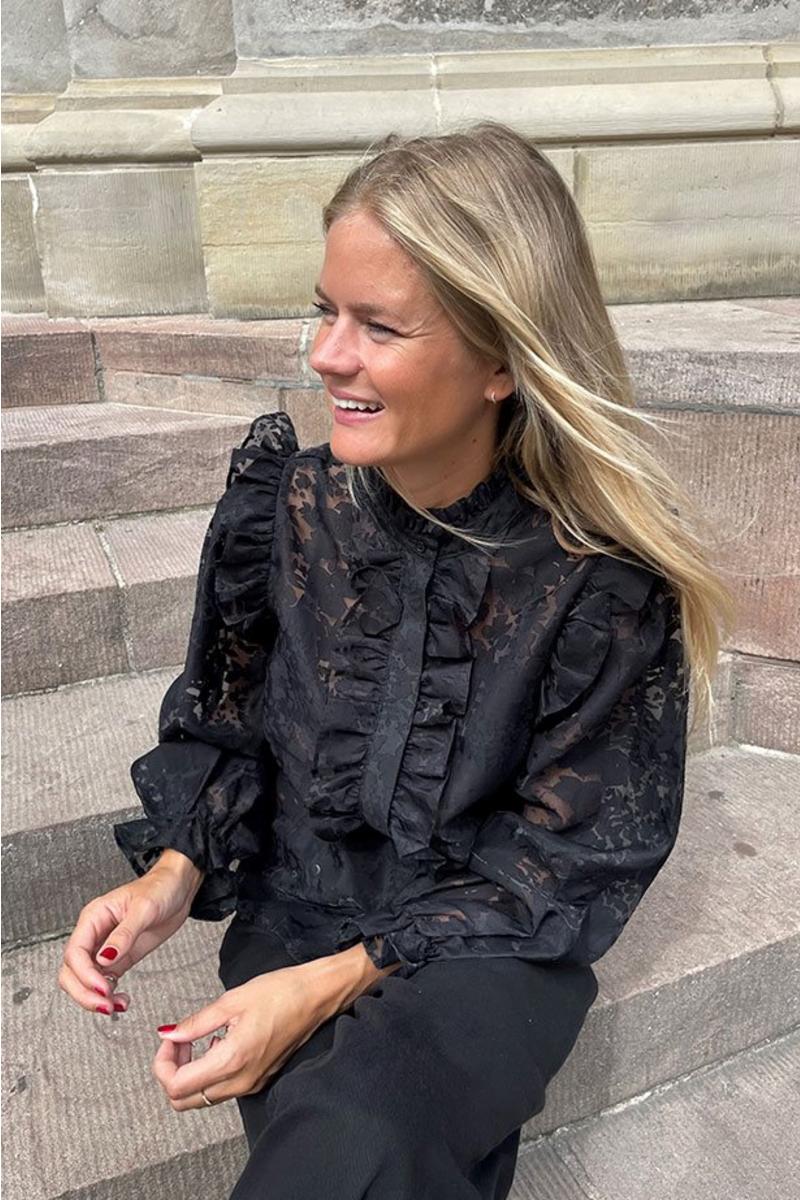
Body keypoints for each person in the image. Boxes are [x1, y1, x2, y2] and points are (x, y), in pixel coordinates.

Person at [57, 120, 735, 1199]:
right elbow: (235, 724)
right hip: (300, 905)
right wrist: (170, 876)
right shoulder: (286, 509)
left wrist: (323, 988)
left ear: (501, 359)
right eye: (326, 311)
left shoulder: (596, 581)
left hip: (491, 939)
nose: (327, 356)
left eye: (378, 325)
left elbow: (563, 862)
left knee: (364, 1128)